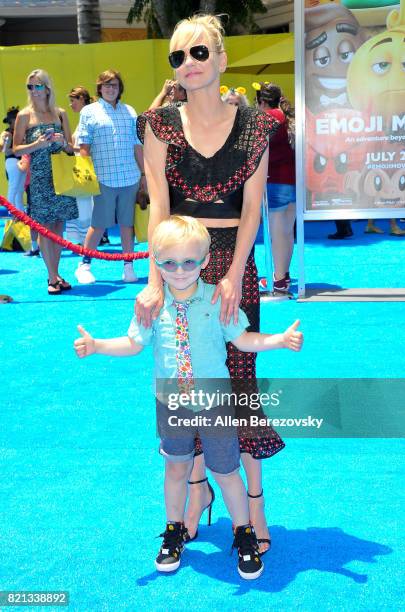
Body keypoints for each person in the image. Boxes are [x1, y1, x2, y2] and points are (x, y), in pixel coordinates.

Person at [74, 215, 303, 578]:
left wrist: (278, 340)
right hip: (171, 402)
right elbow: (133, 343)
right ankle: (173, 530)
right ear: (156, 262)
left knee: (226, 471)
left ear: (206, 261)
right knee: (176, 468)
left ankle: (243, 533)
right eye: (168, 262)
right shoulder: (151, 306)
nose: (179, 271)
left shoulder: (216, 299)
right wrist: (97, 345)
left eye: (189, 262)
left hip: (214, 402)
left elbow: (243, 340)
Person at [136, 14, 284, 555]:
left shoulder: (257, 126)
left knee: (236, 383)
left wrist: (236, 272)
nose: (189, 64)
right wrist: (155, 281)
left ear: (221, 58)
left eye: (199, 53)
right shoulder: (158, 124)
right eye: (178, 57)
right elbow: (158, 207)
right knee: (185, 375)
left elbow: (252, 210)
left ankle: (255, 505)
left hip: (233, 264)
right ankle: (196, 491)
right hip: (180, 263)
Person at [75, 70, 147, 284]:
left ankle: (128, 267)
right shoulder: (89, 111)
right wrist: (87, 175)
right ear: (99, 88)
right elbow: (84, 147)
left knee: (127, 224)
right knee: (99, 224)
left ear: (120, 88)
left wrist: (143, 174)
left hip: (130, 177)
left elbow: (137, 146)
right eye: (106, 85)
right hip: (102, 178)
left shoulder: (130, 111)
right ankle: (84, 265)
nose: (110, 88)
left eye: (114, 85)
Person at [13, 69, 78, 294]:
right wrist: (37, 144)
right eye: (30, 87)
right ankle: (51, 277)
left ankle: (56, 273)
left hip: (61, 176)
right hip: (39, 177)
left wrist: (61, 143)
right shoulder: (24, 115)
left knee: (58, 226)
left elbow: (71, 148)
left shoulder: (60, 114)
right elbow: (16, 148)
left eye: (38, 85)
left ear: (47, 87)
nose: (34, 90)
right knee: (43, 228)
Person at [256, 82, 296, 294]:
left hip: (275, 180)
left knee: (277, 233)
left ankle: (279, 280)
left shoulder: (270, 117)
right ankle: (283, 275)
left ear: (261, 102)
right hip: (292, 180)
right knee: (286, 232)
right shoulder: (287, 117)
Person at [65, 86, 94, 246]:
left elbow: (88, 147)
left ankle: (86, 239)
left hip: (84, 167)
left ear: (82, 99)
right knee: (82, 203)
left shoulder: (88, 118)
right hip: (79, 168)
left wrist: (69, 147)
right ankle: (83, 239)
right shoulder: (83, 118)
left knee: (84, 204)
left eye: (73, 100)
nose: (71, 104)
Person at [1, 106, 26, 213]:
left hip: (22, 161)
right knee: (13, 188)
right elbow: (6, 151)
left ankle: (21, 216)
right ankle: (9, 215)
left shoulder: (21, 132)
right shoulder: (8, 133)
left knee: (19, 191)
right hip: (12, 161)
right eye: (18, 118)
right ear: (12, 120)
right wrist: (18, 149)